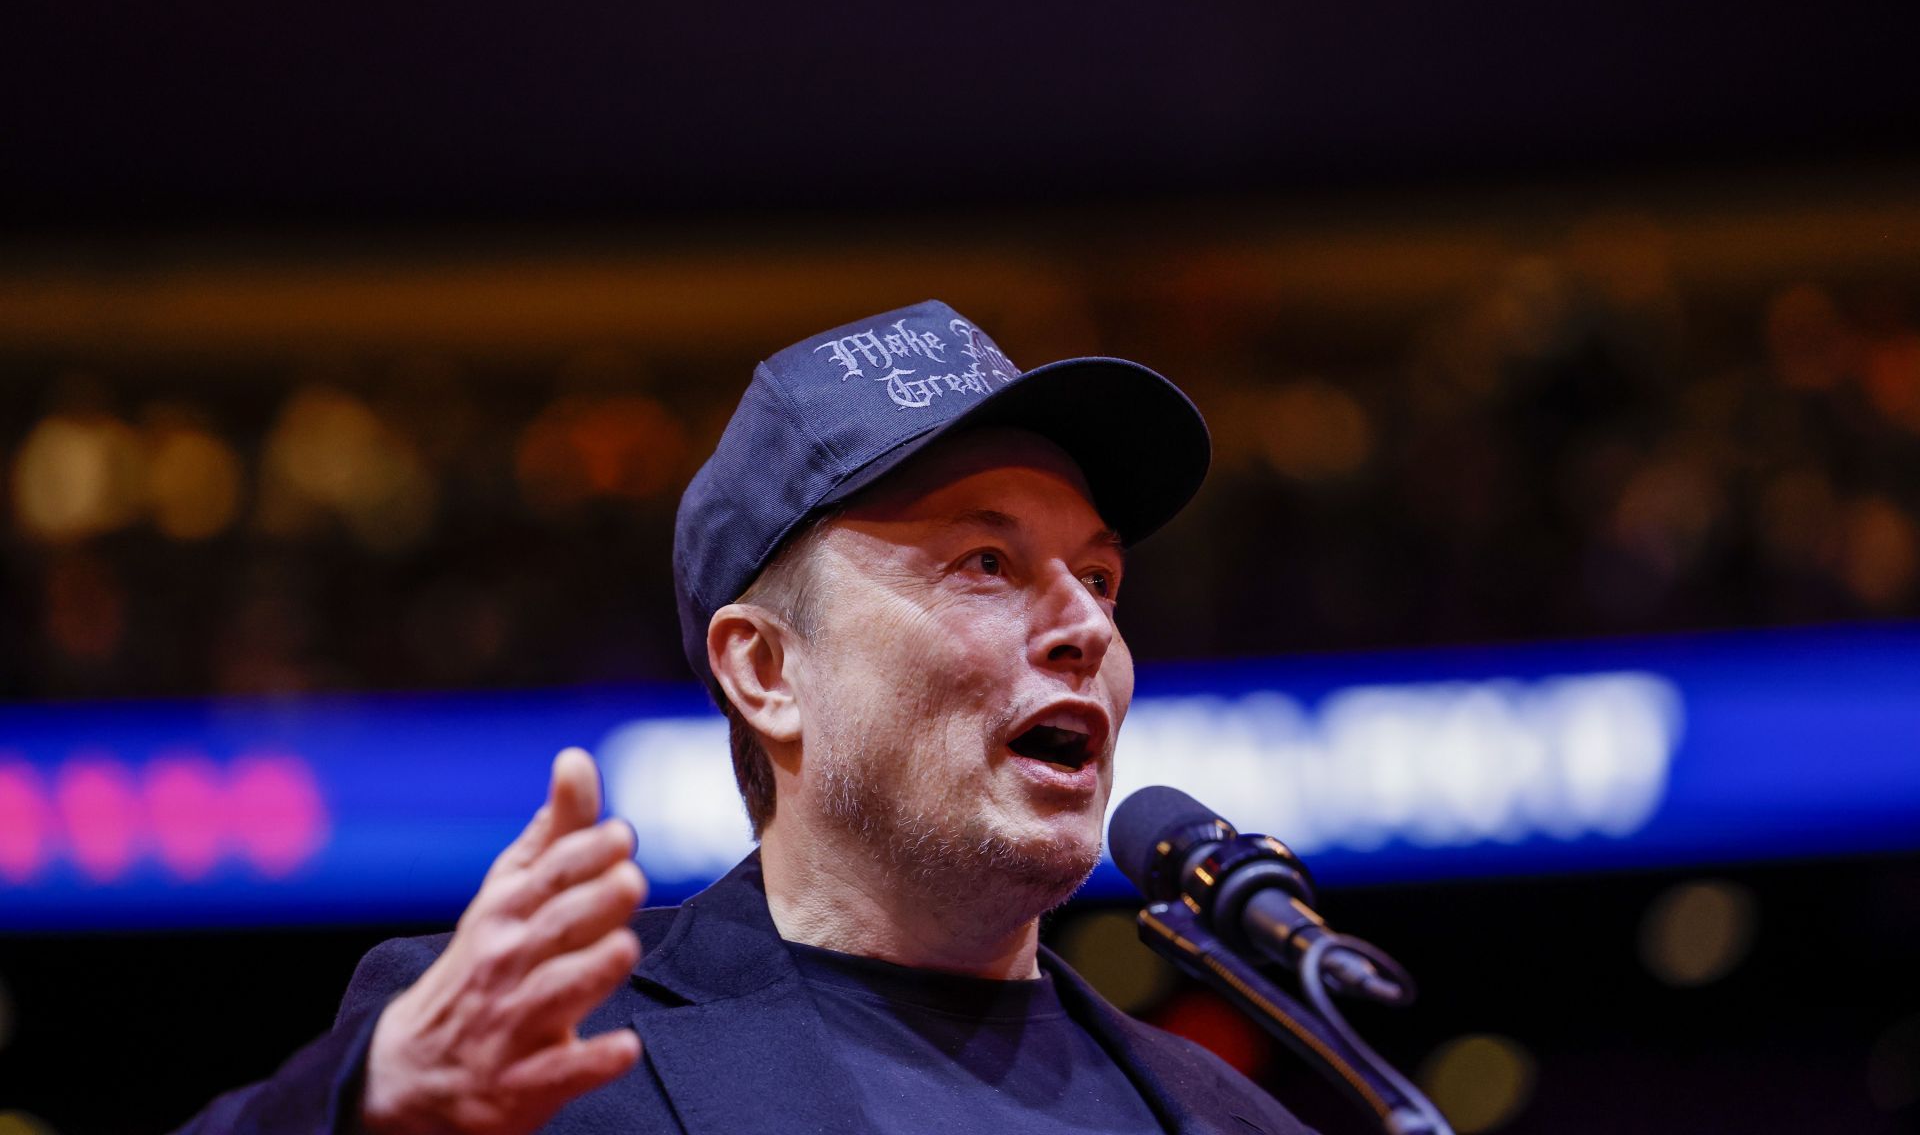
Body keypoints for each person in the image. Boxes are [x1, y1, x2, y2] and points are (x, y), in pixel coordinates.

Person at [177, 300, 1315, 1135]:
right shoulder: (537, 1058)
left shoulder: (1233, 1116)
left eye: (1100, 577)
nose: (1089, 629)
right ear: (767, 670)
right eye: (985, 561)